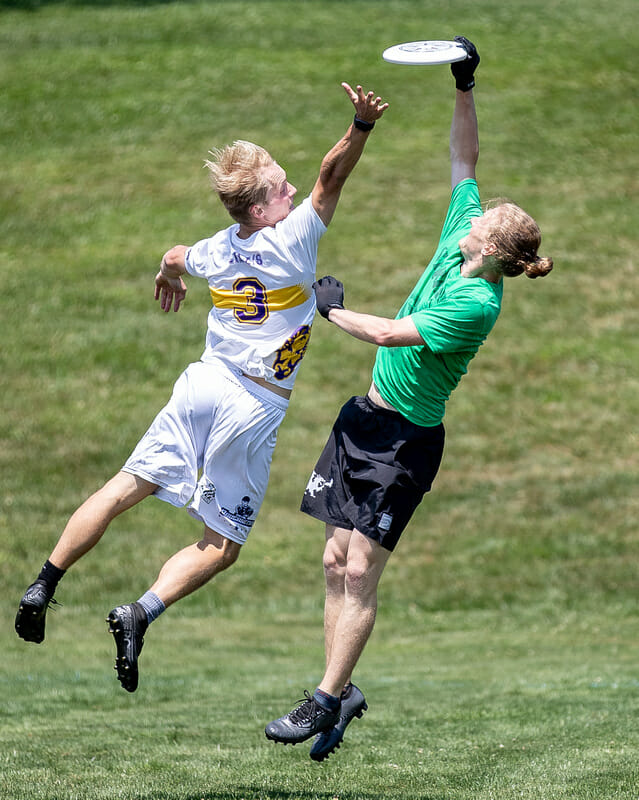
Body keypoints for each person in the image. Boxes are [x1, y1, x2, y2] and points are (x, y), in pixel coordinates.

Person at [14, 82, 389, 693]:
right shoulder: (293, 239)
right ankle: (139, 612)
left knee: (121, 488)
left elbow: (175, 253)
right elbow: (330, 175)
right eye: (280, 188)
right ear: (262, 210)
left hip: (201, 384)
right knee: (221, 546)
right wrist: (361, 125)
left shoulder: (221, 247)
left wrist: (168, 273)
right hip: (253, 404)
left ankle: (44, 582)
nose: (291, 192)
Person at [265, 37, 553, 761]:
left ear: (491, 250)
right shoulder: (466, 233)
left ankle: (326, 697)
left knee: (361, 568)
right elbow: (465, 161)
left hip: (405, 445)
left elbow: (394, 334)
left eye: (482, 222)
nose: (471, 216)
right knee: (333, 561)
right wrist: (464, 85)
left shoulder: (476, 300)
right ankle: (340, 690)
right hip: (361, 422)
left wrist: (330, 310)